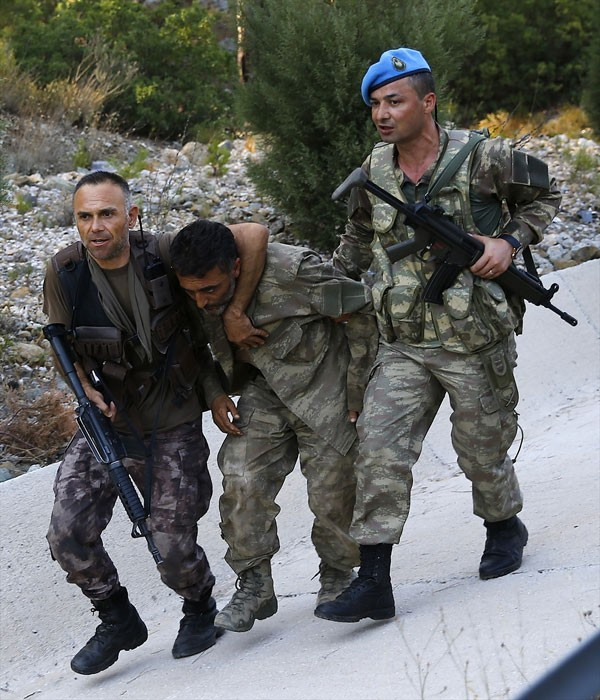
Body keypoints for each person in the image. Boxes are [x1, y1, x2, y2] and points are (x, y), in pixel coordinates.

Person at [314, 47, 562, 623]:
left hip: (475, 338)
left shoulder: (485, 157)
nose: (382, 113)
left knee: (482, 451)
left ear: (427, 103)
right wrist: (328, 290)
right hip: (403, 340)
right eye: (375, 103)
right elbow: (356, 237)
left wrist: (509, 242)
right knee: (379, 447)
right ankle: (374, 578)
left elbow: (548, 194)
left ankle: (503, 525)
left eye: (394, 101)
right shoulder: (374, 170)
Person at [42, 171, 268, 674]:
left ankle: (198, 603)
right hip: (111, 417)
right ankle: (116, 616)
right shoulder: (65, 272)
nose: (96, 227)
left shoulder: (162, 253)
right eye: (85, 216)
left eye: (107, 213)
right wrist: (87, 389)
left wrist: (232, 316)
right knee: (67, 531)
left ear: (131, 215)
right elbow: (61, 344)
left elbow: (250, 236)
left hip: (175, 413)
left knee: (169, 538)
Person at [169, 219, 378, 633]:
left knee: (332, 490)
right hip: (263, 392)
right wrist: (214, 393)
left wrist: (358, 390)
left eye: (209, 290)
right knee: (242, 478)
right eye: (191, 292)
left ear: (234, 267)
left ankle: (338, 573)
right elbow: (193, 345)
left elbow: (363, 312)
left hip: (324, 387)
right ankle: (254, 584)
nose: (200, 301)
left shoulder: (295, 271)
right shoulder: (194, 292)